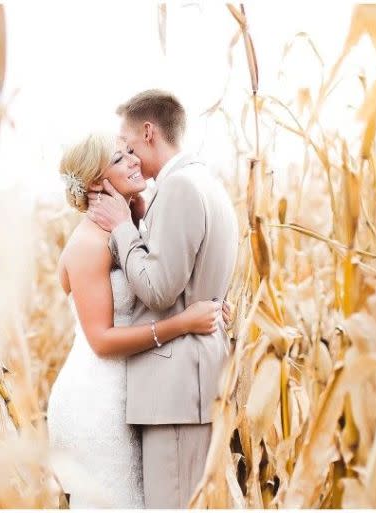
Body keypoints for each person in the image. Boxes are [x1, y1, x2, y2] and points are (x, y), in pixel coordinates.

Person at [46, 132, 231, 508]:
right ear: (97, 183)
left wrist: (207, 306)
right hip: (97, 400)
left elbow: (160, 282)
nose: (134, 161)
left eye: (131, 152)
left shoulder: (128, 228)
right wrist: (183, 324)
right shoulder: (88, 245)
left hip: (131, 391)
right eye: (120, 158)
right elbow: (100, 340)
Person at [86, 90, 239, 508]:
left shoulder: (180, 189)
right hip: (191, 387)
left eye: (128, 143)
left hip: (175, 393)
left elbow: (157, 289)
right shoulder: (207, 183)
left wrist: (122, 229)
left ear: (148, 132)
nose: (128, 156)